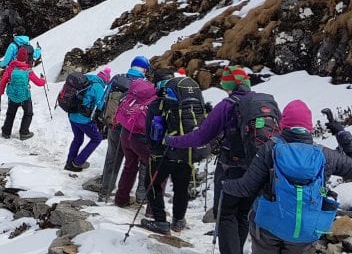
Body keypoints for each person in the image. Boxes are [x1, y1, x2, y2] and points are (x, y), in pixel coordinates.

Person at [222, 100, 352, 254]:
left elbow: (246, 188)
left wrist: (225, 184)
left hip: (268, 227)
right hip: (305, 231)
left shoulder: (270, 148)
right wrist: (343, 136)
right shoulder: (325, 155)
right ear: (309, 128)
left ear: (283, 125)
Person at [164, 65, 269, 254]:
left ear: (229, 84)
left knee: (226, 215)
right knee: (243, 214)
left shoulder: (228, 105)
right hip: (256, 168)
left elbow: (200, 137)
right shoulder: (262, 103)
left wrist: (172, 140)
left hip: (231, 168)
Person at [140, 74, 209, 234]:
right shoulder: (194, 104)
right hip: (186, 153)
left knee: (152, 184)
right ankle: (178, 220)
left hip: (162, 154)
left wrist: (153, 149)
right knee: (181, 188)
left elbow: (150, 132)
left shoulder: (157, 104)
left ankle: (160, 221)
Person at [98, 56, 150, 202]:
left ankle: (105, 193)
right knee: (139, 161)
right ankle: (140, 195)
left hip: (114, 124)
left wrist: (103, 119)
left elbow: (103, 99)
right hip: (133, 130)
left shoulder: (117, 79)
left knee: (112, 158)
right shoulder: (146, 85)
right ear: (145, 69)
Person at [113, 77, 157, 207]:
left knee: (129, 167)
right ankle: (153, 209)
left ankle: (121, 199)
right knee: (155, 170)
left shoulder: (133, 93)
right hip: (140, 138)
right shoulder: (154, 98)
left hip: (126, 133)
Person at [65, 67, 110, 172]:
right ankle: (78, 162)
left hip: (72, 115)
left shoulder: (86, 78)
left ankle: (69, 163)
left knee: (78, 139)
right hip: (83, 119)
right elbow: (100, 105)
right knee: (96, 138)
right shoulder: (98, 87)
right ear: (106, 79)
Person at [0, 47, 46, 140]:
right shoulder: (27, 69)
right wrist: (44, 80)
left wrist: (1, 91)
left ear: (17, 56)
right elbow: (38, 83)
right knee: (28, 113)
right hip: (24, 96)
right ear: (26, 58)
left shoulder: (11, 68)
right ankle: (24, 133)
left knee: (10, 114)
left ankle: (6, 132)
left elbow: (3, 80)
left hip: (12, 95)